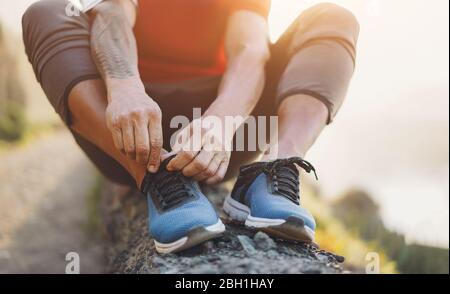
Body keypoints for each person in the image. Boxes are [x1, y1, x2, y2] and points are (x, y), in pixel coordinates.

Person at [22, 0, 359, 253]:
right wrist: (124, 87)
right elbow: (112, 15)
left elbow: (250, 49)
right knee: (49, 11)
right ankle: (154, 174)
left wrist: (222, 119)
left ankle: (275, 167)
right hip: (127, 128)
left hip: (224, 133)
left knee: (333, 18)